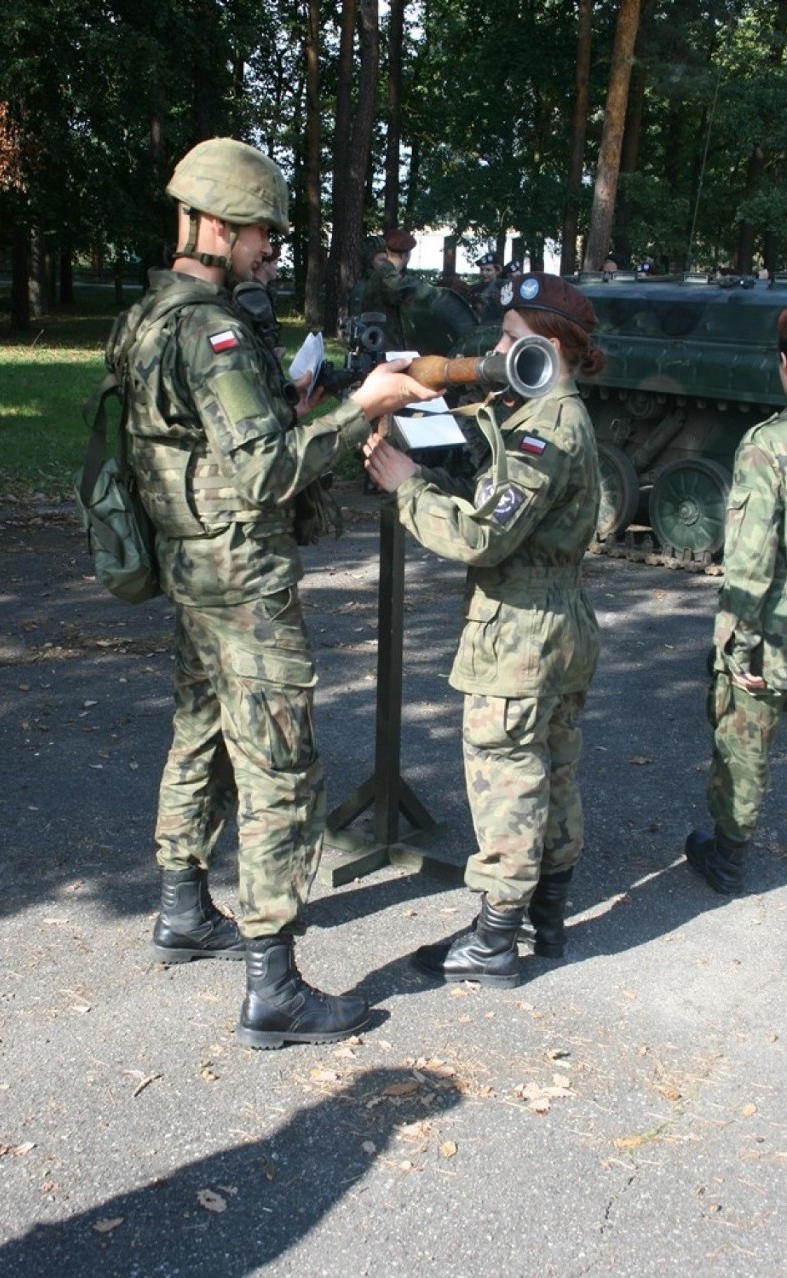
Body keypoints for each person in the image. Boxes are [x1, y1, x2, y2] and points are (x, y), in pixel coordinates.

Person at [108, 137, 436, 1048]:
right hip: (242, 580)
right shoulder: (210, 330)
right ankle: (275, 984)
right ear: (213, 224)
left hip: (192, 567)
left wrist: (293, 399)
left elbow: (203, 443)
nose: (269, 249)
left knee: (202, 735)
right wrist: (361, 408)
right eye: (259, 232)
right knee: (281, 768)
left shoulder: (149, 316)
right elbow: (263, 475)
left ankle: (182, 911)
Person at [363, 273, 605, 987]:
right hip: (557, 626)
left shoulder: (550, 428)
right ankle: (548, 917)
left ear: (550, 344)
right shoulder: (540, 415)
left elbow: (484, 538)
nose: (497, 349)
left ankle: (496, 939)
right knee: (553, 769)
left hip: (521, 636)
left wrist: (404, 484)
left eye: (509, 337)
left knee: (509, 778)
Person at [684, 302, 787, 965]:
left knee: (743, 739)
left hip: (779, 633)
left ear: (785, 364)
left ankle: (730, 858)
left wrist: (735, 645)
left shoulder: (769, 444)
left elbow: (749, 559)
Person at [361, 228, 419, 349]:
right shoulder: (387, 275)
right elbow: (402, 291)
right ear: (406, 255)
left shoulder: (382, 273)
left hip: (376, 343)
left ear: (387, 251)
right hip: (385, 348)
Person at [470, 251, 503, 322]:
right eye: (482, 270)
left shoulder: (504, 288)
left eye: (488, 270)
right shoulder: (475, 290)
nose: (484, 273)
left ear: (497, 271)